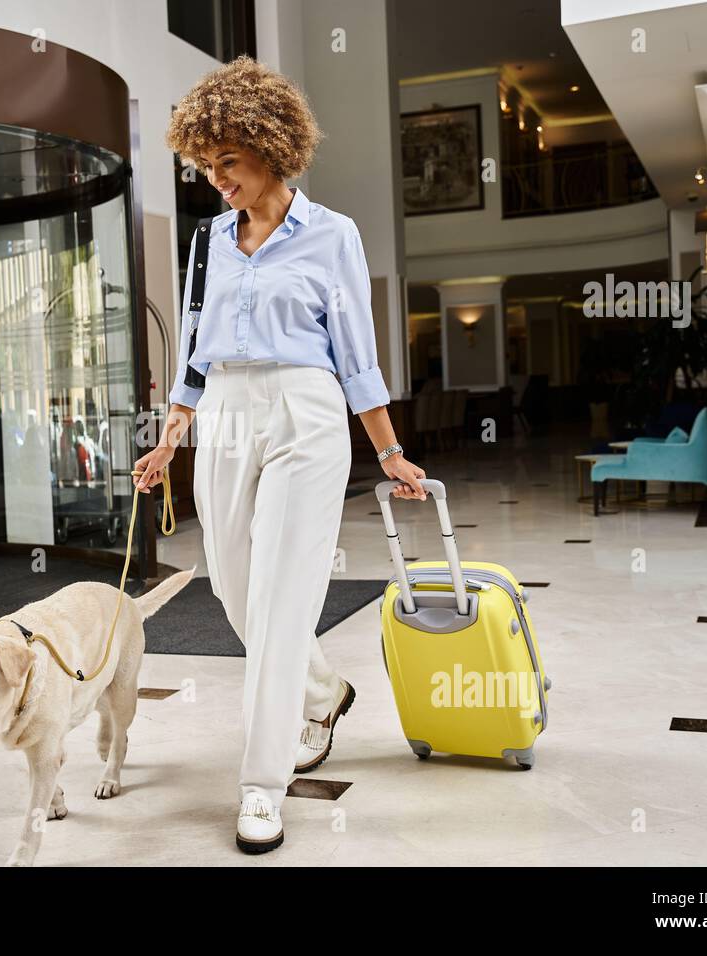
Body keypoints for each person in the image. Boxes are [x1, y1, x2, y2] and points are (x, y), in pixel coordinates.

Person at [133, 55, 427, 855]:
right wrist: (170, 435)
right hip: (225, 408)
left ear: (272, 146)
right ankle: (324, 689)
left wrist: (390, 451)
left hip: (306, 408)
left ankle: (263, 786)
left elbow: (357, 357)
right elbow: (196, 348)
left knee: (283, 595)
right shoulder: (207, 244)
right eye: (204, 165)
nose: (216, 178)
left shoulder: (332, 236)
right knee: (231, 583)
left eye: (227, 160)